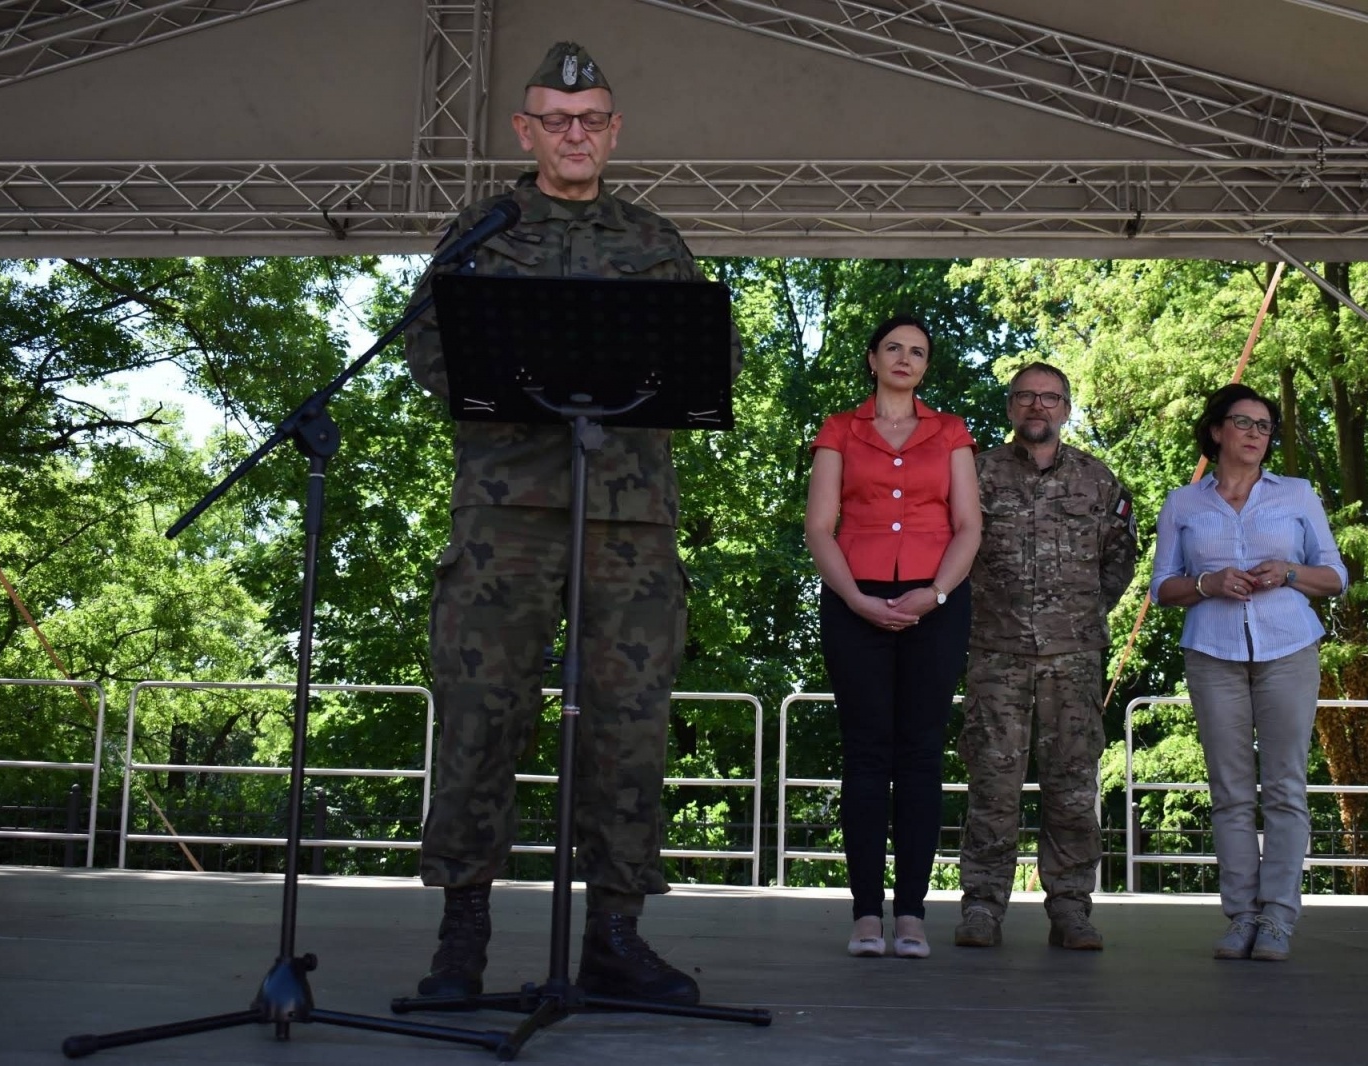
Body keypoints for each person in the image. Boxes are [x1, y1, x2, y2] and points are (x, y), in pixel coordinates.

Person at [405, 41, 741, 1004]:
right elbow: (428, 354)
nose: (576, 134)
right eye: (557, 119)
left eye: (591, 118)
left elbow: (711, 361)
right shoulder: (483, 229)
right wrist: (519, 380)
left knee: (629, 730)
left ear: (615, 129)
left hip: (630, 519)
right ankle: (461, 934)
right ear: (526, 130)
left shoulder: (656, 240)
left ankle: (616, 935)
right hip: (507, 513)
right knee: (481, 718)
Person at [804, 315, 981, 959]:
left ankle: (911, 913)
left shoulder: (951, 432)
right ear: (873, 359)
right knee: (866, 753)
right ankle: (865, 915)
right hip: (857, 599)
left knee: (922, 755)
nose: (906, 359)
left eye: (918, 352)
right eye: (894, 349)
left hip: (936, 602)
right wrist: (855, 598)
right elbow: (820, 527)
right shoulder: (839, 431)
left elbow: (968, 527)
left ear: (926, 367)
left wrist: (933, 594)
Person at [1149, 383, 1346, 962]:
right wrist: (1208, 583)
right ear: (1217, 431)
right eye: (1244, 423)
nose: (1257, 434)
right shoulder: (1182, 504)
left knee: (1286, 787)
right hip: (1212, 653)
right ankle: (1240, 917)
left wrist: (1288, 572)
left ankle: (1280, 918)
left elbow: (1335, 575)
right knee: (1230, 791)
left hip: (1289, 647)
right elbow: (1163, 587)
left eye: (1265, 426)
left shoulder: (1298, 494)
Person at [954, 362, 1136, 952]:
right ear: (1010, 408)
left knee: (1074, 790)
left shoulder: (1098, 480)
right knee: (993, 787)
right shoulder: (975, 475)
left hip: (1074, 659)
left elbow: (1120, 559)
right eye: (1026, 398)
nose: (1038, 407)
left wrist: (1077, 617)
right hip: (995, 656)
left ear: (1066, 408)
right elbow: (950, 548)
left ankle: (1071, 910)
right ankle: (982, 907)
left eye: (1050, 398)